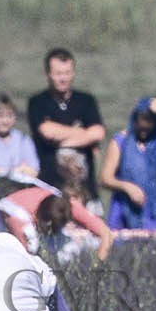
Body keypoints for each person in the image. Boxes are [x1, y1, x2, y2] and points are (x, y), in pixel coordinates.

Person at [27, 49, 106, 208]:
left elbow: (98, 133)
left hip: (86, 192)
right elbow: (46, 131)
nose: (63, 78)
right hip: (50, 190)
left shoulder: (86, 101)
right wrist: (83, 134)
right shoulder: (38, 102)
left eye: (67, 73)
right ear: (48, 74)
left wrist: (60, 140)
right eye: (58, 73)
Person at [100, 97, 156, 231]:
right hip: (125, 210)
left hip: (155, 211)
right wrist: (127, 187)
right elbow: (105, 178)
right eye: (142, 123)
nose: (144, 130)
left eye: (149, 124)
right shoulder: (121, 141)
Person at [0, 182, 114, 262]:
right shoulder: (18, 217)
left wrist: (98, 267)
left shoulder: (68, 206)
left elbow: (106, 233)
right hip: (3, 216)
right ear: (37, 216)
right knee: (32, 248)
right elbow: (23, 259)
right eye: (44, 227)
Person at [0, 93, 41, 189]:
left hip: (17, 193)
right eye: (0, 116)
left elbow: (33, 172)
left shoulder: (23, 140)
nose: (5, 121)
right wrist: (18, 170)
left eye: (9, 115)